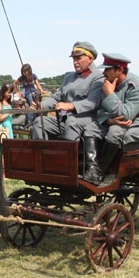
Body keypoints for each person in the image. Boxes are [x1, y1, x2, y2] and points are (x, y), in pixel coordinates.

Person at [83, 53, 139, 185]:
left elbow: (126, 115)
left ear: (119, 70)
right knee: (90, 129)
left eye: (108, 69)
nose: (104, 72)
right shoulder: (108, 84)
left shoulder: (138, 87)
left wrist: (110, 94)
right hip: (114, 121)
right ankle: (92, 170)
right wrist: (109, 120)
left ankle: (103, 171)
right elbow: (101, 111)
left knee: (115, 132)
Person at [31, 41, 104, 179]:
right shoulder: (69, 77)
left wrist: (70, 106)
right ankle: (43, 163)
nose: (75, 62)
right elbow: (57, 97)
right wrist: (41, 106)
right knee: (40, 122)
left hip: (89, 119)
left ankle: (68, 167)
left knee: (72, 122)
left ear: (90, 58)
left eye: (79, 58)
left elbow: (92, 103)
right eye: (74, 59)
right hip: (65, 119)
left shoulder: (98, 77)